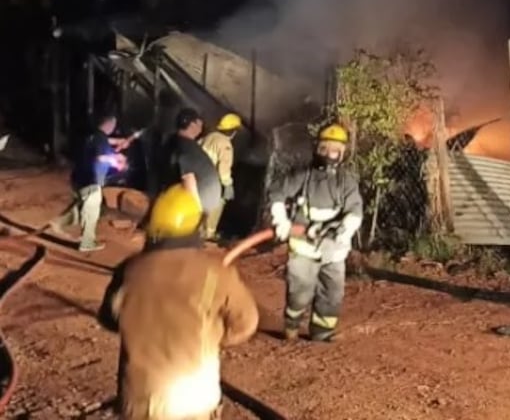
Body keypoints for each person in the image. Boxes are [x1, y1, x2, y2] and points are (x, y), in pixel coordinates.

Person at [98, 183, 259, 420]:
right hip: (192, 399)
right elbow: (246, 322)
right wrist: (212, 336)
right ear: (196, 226)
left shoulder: (129, 270)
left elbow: (109, 318)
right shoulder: (216, 272)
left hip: (139, 398)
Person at [269, 123, 363, 342]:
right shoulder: (303, 176)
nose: (329, 154)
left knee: (332, 295)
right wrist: (281, 219)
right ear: (316, 148)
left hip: (334, 250)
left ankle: (322, 334)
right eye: (324, 148)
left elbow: (354, 211)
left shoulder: (346, 181)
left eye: (334, 149)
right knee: (299, 292)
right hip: (303, 247)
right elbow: (277, 195)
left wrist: (345, 231)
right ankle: (291, 327)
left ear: (342, 153)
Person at [51, 112, 135, 252]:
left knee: (82, 208)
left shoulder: (93, 135)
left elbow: (104, 144)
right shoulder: (100, 138)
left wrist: (118, 143)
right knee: (91, 212)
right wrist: (117, 161)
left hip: (80, 178)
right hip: (91, 180)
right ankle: (87, 243)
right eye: (113, 125)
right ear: (109, 125)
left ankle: (58, 223)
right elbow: (101, 158)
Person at [160, 108, 221, 233]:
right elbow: (189, 178)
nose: (202, 126)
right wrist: (196, 211)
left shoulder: (180, 143)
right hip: (195, 206)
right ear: (192, 125)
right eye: (200, 123)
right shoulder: (185, 148)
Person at [199, 113, 242, 241]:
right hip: (212, 181)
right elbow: (223, 169)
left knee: (200, 208)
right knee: (217, 205)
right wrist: (228, 185)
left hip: (200, 177)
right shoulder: (226, 144)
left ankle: (198, 232)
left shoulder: (209, 137)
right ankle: (208, 235)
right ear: (234, 131)